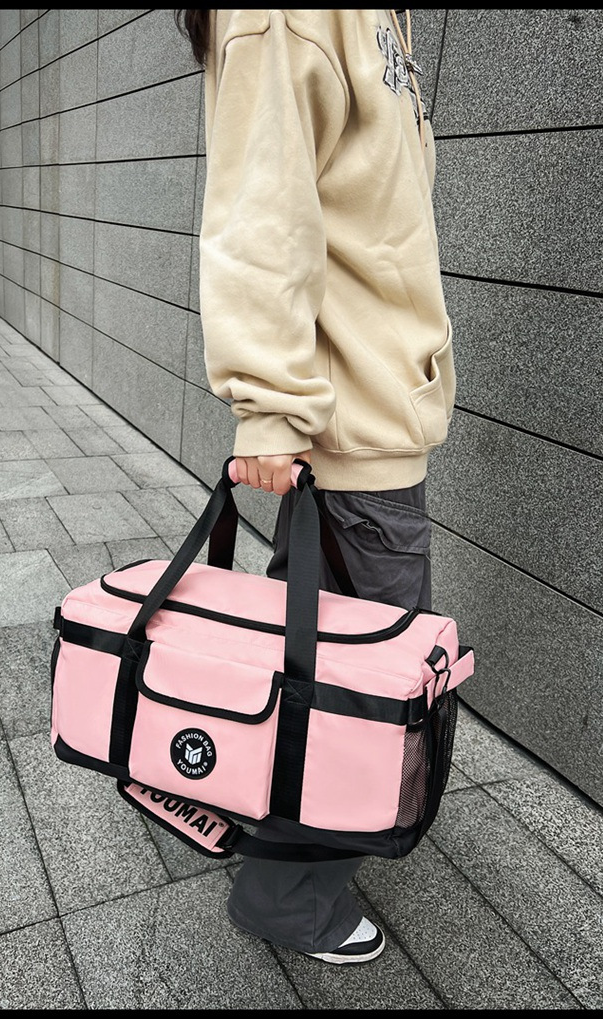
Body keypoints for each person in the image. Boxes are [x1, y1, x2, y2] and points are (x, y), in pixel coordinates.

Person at [176, 9, 455, 965]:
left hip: (368, 416)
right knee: (360, 692)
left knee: (316, 664)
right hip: (353, 432)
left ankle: (258, 800)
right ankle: (286, 898)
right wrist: (268, 406)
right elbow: (263, 208)